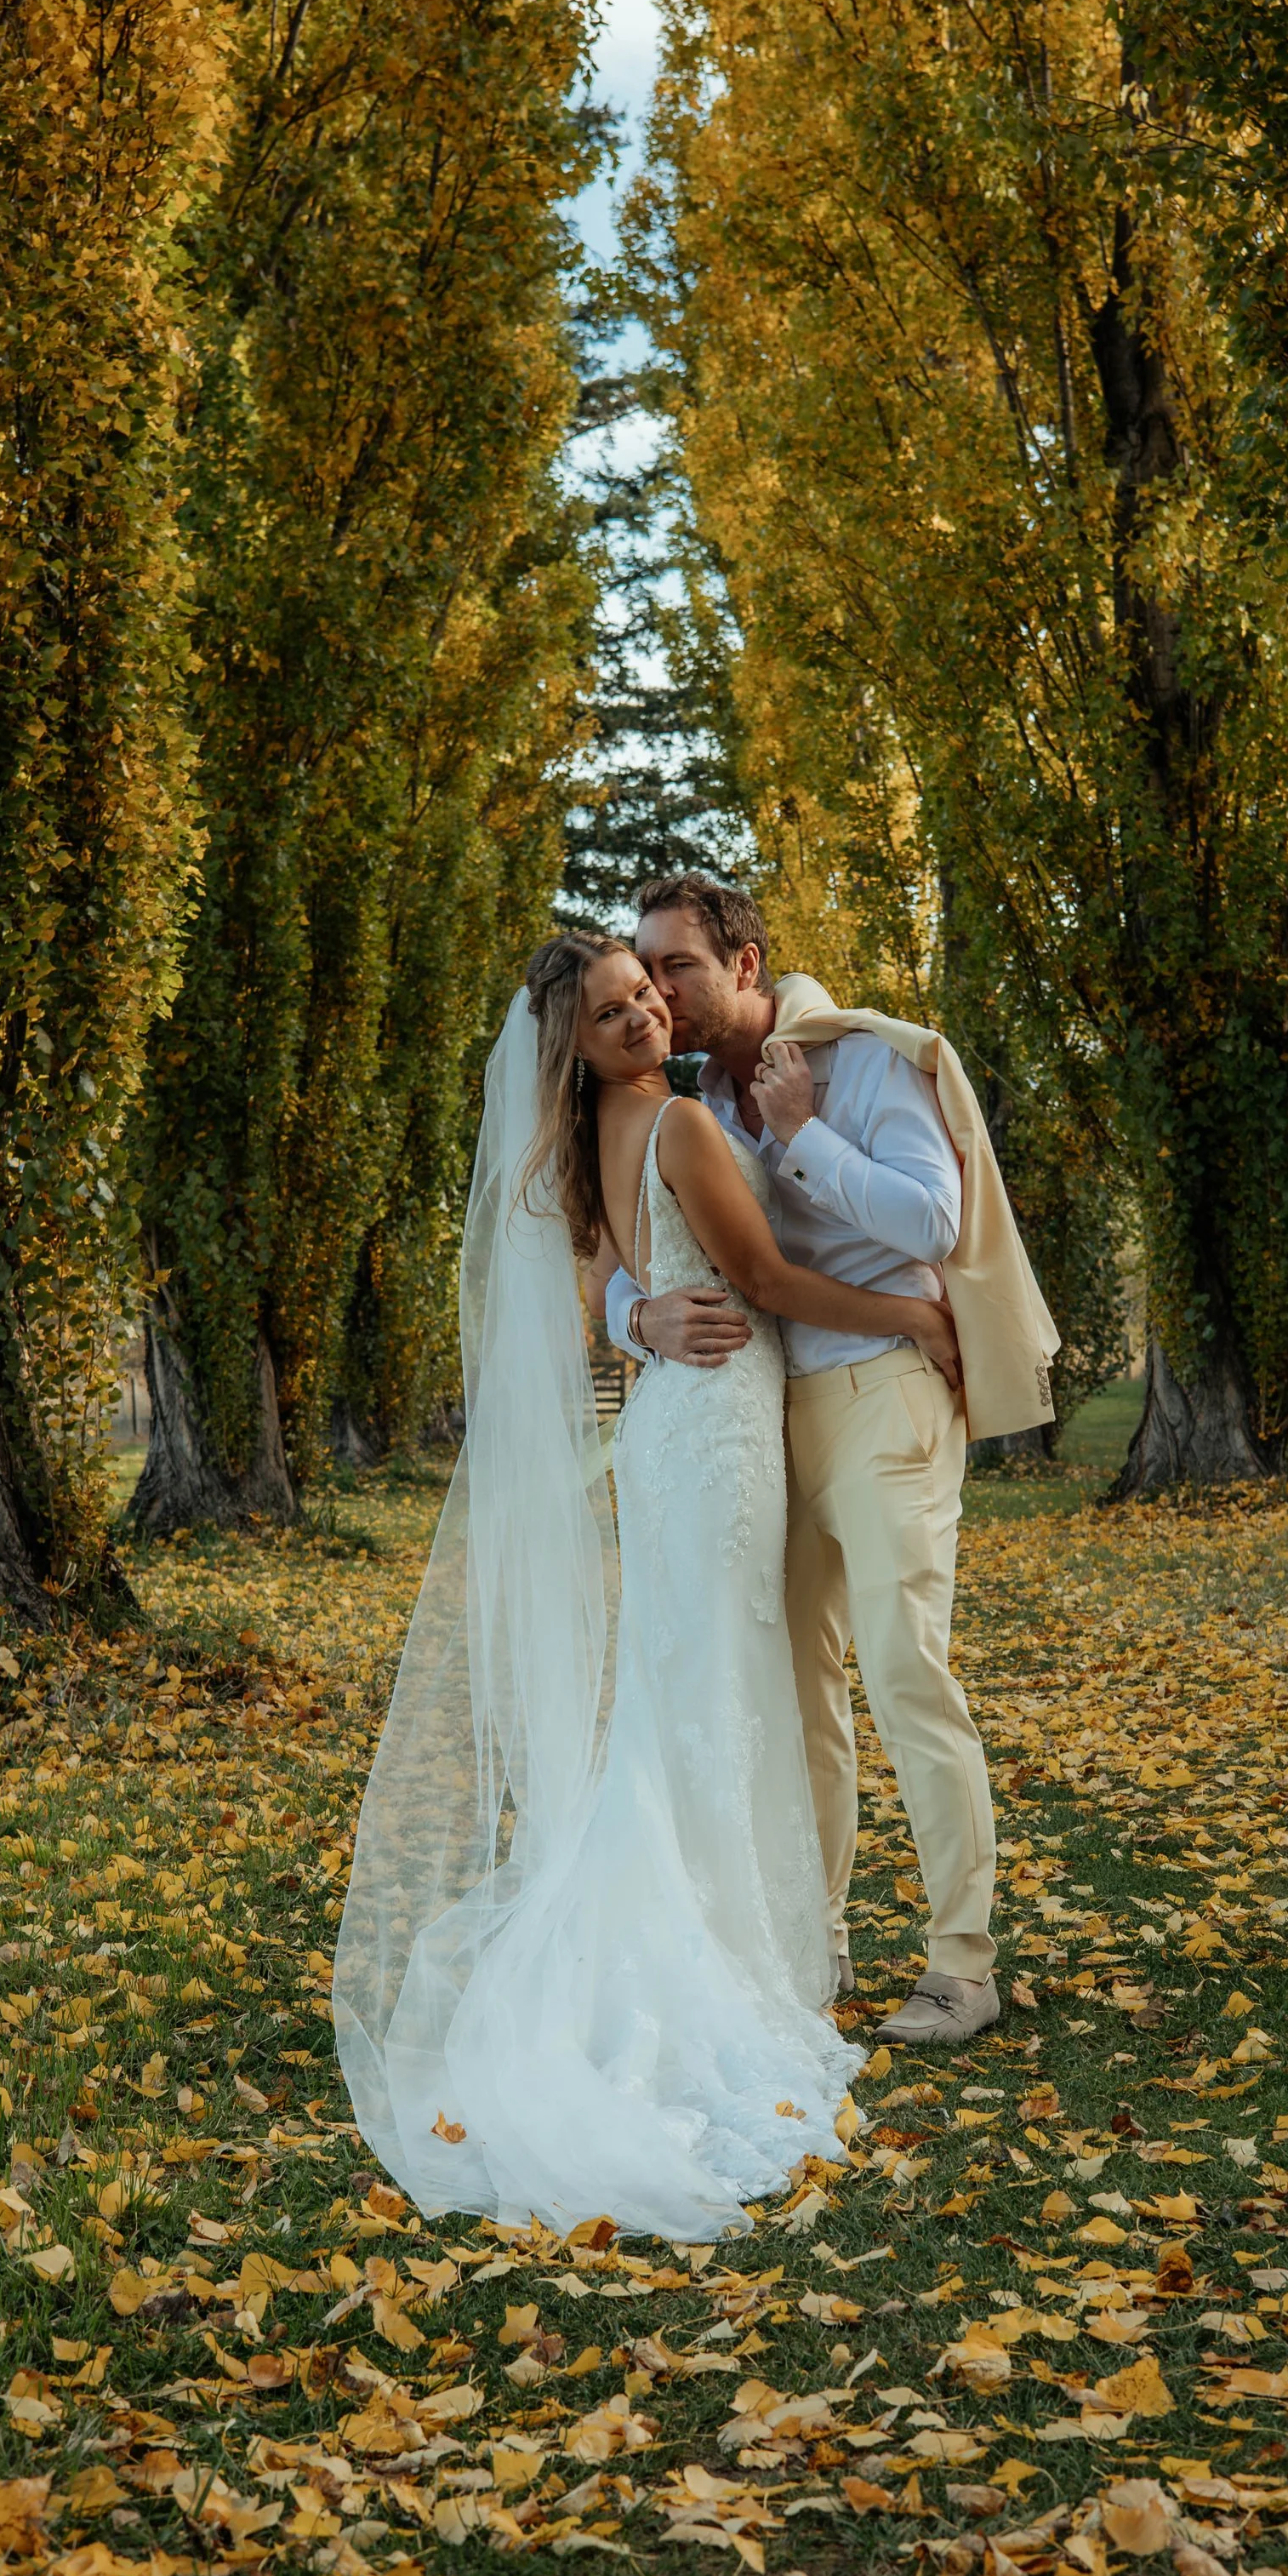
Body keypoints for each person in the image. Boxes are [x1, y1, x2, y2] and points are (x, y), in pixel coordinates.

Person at [333, 931, 964, 2242]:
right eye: (615, 1010)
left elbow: (619, 1278)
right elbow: (769, 1281)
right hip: (717, 1424)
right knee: (721, 1680)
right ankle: (724, 1964)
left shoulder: (596, 1139)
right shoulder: (675, 1121)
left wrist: (636, 1313)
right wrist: (916, 1316)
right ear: (576, 1043)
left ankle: (731, 1936)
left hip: (683, 1425)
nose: (641, 1016)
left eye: (644, 995)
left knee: (695, 1686)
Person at [607, 874, 1058, 2051]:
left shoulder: (863, 1063)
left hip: (889, 1394)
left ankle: (963, 1968)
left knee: (907, 1672)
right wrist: (632, 1317)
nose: (659, 991)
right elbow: (606, 1218)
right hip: (770, 1412)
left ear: (746, 965)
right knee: (797, 1687)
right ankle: (816, 1940)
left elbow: (932, 1222)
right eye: (645, 970)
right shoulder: (696, 1094)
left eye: (679, 968)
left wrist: (804, 1132)